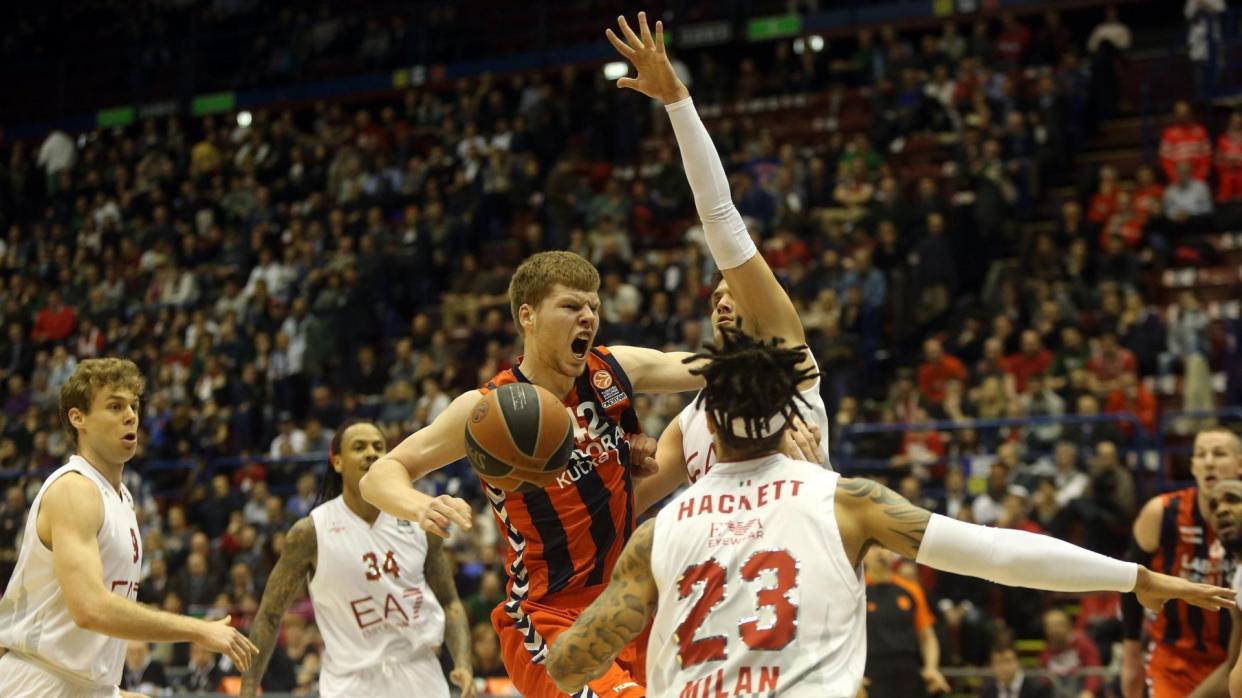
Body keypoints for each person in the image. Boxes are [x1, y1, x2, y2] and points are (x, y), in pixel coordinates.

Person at [543, 324, 1235, 697]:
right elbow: (999, 552)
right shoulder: (848, 502)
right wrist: (1134, 579)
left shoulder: (659, 532)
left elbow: (572, 665)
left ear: (707, 427)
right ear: (788, 416)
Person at [359, 264, 707, 693]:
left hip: (628, 604)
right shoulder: (489, 410)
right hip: (547, 616)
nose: (588, 317)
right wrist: (421, 505)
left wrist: (788, 399)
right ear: (528, 316)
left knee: (711, 412)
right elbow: (379, 475)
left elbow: (713, 368)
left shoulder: (612, 370)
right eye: (571, 305)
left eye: (593, 306)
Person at [609, 14, 832, 519]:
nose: (725, 302)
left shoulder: (788, 362)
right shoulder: (689, 421)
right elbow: (614, 513)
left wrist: (677, 103)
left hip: (803, 578)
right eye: (715, 299)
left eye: (733, 292)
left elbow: (719, 215)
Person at [0, 357, 257, 697]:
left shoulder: (122, 499)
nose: (131, 415)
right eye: (115, 406)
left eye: (134, 405)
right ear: (79, 418)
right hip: (36, 682)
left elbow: (85, 651)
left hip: (82, 685)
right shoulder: (74, 490)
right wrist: (198, 630)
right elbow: (90, 608)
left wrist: (115, 692)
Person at [241, 419, 474, 698]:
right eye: (359, 447)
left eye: (378, 447)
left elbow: (449, 601)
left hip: (421, 675)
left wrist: (463, 662)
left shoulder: (418, 518)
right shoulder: (310, 532)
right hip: (350, 683)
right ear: (337, 462)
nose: (371, 453)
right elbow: (269, 614)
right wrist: (248, 685)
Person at [1121, 428, 1242, 697]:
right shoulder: (1161, 513)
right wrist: (1131, 654)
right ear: (1192, 466)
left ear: (1239, 464)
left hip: (1231, 655)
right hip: (1175, 658)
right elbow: (1129, 580)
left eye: (1219, 454)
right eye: (1200, 455)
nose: (1209, 461)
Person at [863, 546, 949, 697]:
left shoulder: (911, 589)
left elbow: (927, 637)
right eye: (874, 547)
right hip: (871, 671)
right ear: (863, 554)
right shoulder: (856, 590)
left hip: (908, 671)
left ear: (893, 554)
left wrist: (931, 667)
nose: (880, 552)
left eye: (884, 547)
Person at [1189, 477, 1242, 697]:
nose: (1221, 510)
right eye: (1214, 506)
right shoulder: (1238, 579)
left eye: (1233, 500)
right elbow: (1232, 664)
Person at [982, 643, 1053, 698]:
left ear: (1018, 662)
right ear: (992, 666)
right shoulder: (988, 691)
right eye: (998, 662)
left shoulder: (1037, 689)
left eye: (1008, 661)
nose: (1004, 667)